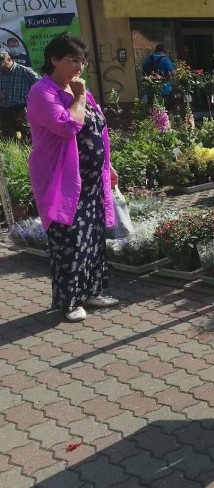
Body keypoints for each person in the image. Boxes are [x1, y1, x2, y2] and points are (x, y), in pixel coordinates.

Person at [27, 33, 120, 322]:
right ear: (54, 60)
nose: (79, 66)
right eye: (72, 60)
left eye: (82, 60)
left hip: (91, 181)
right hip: (63, 182)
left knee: (92, 239)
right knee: (69, 241)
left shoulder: (80, 90)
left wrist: (109, 165)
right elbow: (67, 127)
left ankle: (92, 291)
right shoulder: (43, 92)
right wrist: (78, 96)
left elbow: (99, 130)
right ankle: (69, 301)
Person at [0, 49, 40, 138]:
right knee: (7, 137)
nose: (1, 64)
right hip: (4, 108)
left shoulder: (24, 71)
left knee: (28, 136)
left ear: (9, 59)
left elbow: (41, 85)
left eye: (2, 61)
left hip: (21, 108)